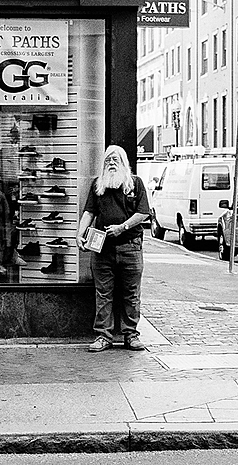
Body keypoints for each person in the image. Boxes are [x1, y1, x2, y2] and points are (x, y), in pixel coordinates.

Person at [76, 145, 150, 352]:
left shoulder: (135, 183)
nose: (111, 163)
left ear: (124, 162)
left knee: (131, 293)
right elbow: (89, 212)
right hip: (102, 249)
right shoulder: (98, 185)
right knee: (103, 293)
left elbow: (143, 212)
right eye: (108, 159)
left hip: (130, 247)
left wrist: (122, 227)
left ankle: (131, 335)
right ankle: (103, 336)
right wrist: (80, 234)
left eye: (115, 159)